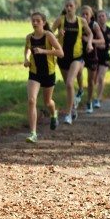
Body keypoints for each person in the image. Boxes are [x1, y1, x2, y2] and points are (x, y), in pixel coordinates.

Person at [53, 0, 94, 125]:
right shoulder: (60, 20)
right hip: (63, 57)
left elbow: (90, 33)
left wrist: (90, 44)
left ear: (76, 7)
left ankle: (68, 114)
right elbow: (49, 35)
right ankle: (74, 107)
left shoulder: (81, 21)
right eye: (67, 6)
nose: (68, 8)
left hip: (76, 57)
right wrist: (57, 35)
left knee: (70, 83)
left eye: (71, 6)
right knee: (68, 86)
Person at [23, 12, 63, 142]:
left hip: (48, 73)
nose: (35, 23)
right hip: (34, 73)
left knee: (47, 102)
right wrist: (26, 59)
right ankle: (33, 133)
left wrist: (43, 51)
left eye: (38, 21)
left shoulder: (48, 36)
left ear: (44, 23)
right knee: (31, 100)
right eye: (33, 21)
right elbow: (27, 49)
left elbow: (60, 53)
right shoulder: (29, 37)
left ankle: (53, 113)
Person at [79, 5, 103, 114]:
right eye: (82, 14)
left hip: (92, 56)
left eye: (86, 14)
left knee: (90, 81)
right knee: (76, 74)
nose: (84, 16)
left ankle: (89, 101)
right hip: (79, 55)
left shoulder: (94, 25)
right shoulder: (78, 24)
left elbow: (102, 41)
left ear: (91, 15)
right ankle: (79, 91)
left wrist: (90, 40)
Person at [92, 9, 110, 109]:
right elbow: (89, 40)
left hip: (105, 56)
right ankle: (91, 97)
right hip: (94, 56)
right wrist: (97, 45)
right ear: (97, 19)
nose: (101, 18)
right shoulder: (94, 30)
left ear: (106, 17)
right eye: (99, 16)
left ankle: (97, 99)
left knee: (101, 77)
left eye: (103, 16)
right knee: (93, 80)